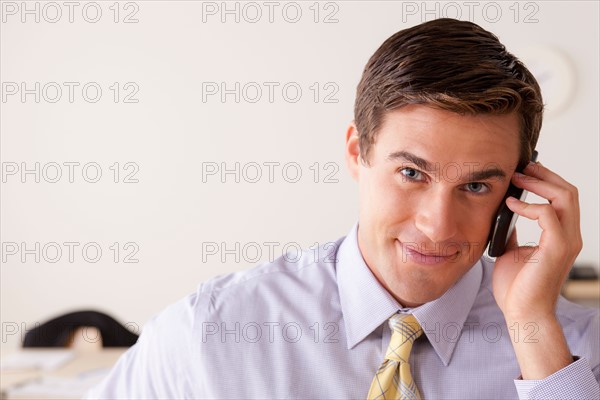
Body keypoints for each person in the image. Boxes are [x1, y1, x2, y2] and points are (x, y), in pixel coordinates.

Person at [85, 18, 599, 399]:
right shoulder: (211, 330)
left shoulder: (572, 352)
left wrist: (534, 328)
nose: (437, 225)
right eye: (412, 174)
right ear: (358, 152)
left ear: (521, 188)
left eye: (476, 187)